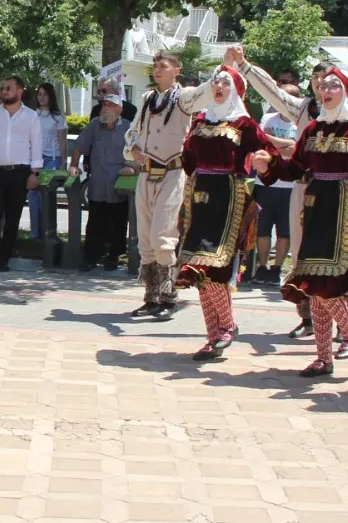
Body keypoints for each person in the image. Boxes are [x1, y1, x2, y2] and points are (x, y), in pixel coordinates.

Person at [253, 66, 348, 377]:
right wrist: (269, 167)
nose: (325, 90)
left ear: (346, 91)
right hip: (315, 203)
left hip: (345, 206)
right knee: (312, 281)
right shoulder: (312, 129)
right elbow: (296, 169)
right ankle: (323, 357)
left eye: (333, 85)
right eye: (322, 86)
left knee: (330, 279)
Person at [229, 49, 348, 338]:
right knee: (303, 254)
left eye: (329, 81)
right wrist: (245, 66)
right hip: (305, 186)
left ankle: (344, 322)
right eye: (317, 81)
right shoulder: (303, 111)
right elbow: (273, 93)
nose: (323, 86)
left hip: (342, 192)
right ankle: (310, 318)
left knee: (343, 254)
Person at [175, 68, 273, 360]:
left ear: (237, 89)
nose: (218, 85)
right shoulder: (202, 119)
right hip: (200, 194)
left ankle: (227, 326)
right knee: (197, 269)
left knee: (216, 267)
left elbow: (265, 152)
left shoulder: (244, 123)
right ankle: (213, 337)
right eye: (215, 81)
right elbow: (189, 157)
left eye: (225, 82)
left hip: (229, 196)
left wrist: (264, 161)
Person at [123, 53, 218, 320]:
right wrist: (133, 150)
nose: (157, 70)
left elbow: (205, 93)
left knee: (163, 237)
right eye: (155, 66)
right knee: (145, 239)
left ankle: (168, 296)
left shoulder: (184, 97)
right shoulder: (147, 98)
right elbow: (133, 131)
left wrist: (226, 68)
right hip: (147, 173)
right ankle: (151, 297)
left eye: (163, 66)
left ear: (177, 70)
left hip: (172, 172)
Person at [0, 75, 43, 272]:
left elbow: (37, 146)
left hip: (19, 173)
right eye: (3, 88)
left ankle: (4, 259)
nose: (4, 91)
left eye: (9, 88)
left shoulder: (31, 116)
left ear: (20, 91)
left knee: (13, 219)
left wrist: (34, 174)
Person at [70, 94, 131, 271]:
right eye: (104, 105)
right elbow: (79, 146)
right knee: (95, 222)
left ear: (119, 109)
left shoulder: (128, 128)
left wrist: (132, 168)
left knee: (118, 222)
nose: (105, 108)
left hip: (119, 185)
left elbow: (137, 153)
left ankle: (113, 256)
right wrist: (74, 165)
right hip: (97, 184)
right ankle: (90, 257)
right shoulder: (95, 125)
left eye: (110, 105)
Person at [253, 86, 300, 284]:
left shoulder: (301, 125)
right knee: (262, 230)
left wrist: (272, 142)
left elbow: (296, 151)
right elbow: (262, 145)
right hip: (264, 185)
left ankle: (276, 269)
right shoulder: (267, 119)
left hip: (290, 187)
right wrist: (284, 145)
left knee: (285, 232)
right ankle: (262, 267)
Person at [28, 83, 68, 241]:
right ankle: (35, 232)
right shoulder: (33, 115)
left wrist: (64, 162)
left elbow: (62, 141)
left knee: (47, 194)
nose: (42, 97)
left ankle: (49, 231)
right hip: (37, 159)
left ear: (51, 96)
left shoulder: (58, 117)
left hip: (53, 158)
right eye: (39, 94)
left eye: (45, 94)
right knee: (33, 194)